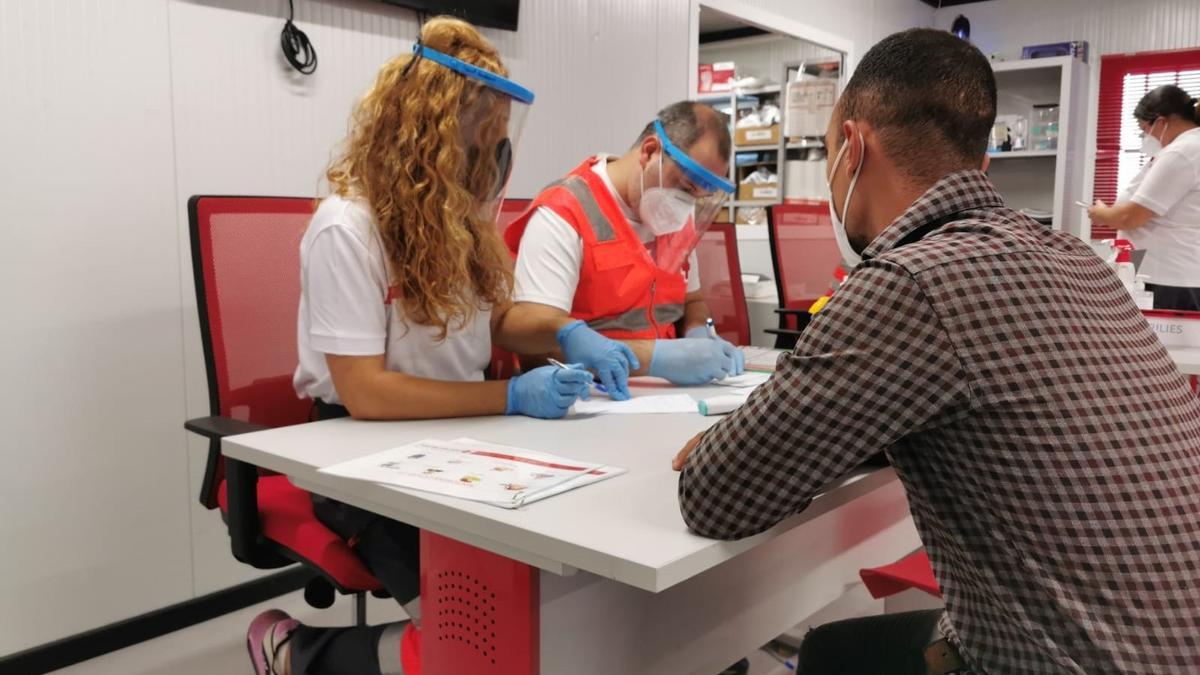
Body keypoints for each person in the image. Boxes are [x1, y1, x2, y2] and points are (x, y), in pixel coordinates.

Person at [673, 28, 1200, 674]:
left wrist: (755, 436)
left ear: (855, 147)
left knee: (834, 656)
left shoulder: (910, 283)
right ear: (981, 165)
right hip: (1167, 641)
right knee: (837, 649)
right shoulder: (1074, 258)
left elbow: (716, 495)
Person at [244, 17, 629, 675]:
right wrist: (507, 393)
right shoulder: (349, 227)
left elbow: (496, 318)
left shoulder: (453, 225)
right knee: (472, 637)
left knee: (544, 604)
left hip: (459, 440)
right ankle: (297, 652)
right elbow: (365, 392)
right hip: (358, 456)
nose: (492, 163)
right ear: (431, 139)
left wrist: (566, 329)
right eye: (481, 144)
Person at [500, 101, 745, 397]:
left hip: (669, 396)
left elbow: (692, 301)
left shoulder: (675, 219)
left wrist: (699, 331)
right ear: (650, 151)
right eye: (684, 188)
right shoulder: (564, 213)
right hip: (589, 397)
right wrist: (657, 359)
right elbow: (535, 348)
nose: (685, 206)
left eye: (698, 196)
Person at [1089, 85, 1200, 311]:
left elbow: (1130, 217)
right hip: (1169, 274)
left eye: (1143, 130)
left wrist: (1101, 213)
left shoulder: (1181, 152)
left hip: (1168, 278)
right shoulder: (1187, 149)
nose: (1144, 138)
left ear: (1161, 123)